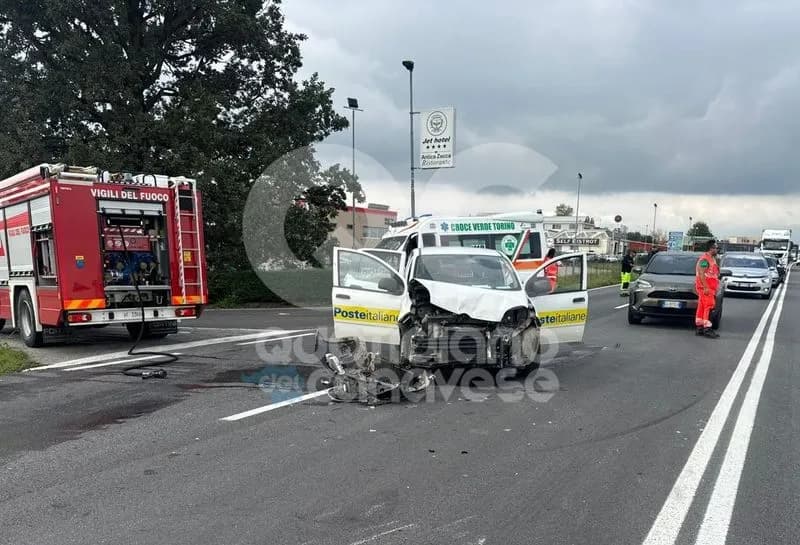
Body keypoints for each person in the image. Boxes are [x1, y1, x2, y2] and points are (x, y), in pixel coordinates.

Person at [695, 239, 720, 338]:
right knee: (709, 306)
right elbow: (701, 273)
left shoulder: (711, 258)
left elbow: (712, 273)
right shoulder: (705, 259)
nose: (717, 250)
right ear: (711, 248)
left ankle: (700, 327)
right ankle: (707, 329)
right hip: (706, 288)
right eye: (716, 248)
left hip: (709, 287)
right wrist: (706, 287)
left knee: (702, 307)